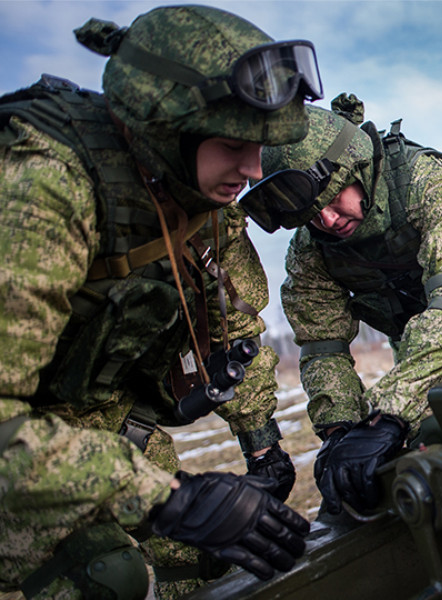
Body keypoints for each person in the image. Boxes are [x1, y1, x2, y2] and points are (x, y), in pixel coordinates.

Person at [0, 6, 323, 599]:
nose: (251, 170)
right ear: (162, 128)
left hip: (99, 431)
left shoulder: (193, 195)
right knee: (110, 580)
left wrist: (261, 441)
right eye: (232, 144)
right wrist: (164, 498)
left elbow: (233, 330)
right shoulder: (41, 190)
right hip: (21, 453)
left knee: (208, 559)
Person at [242, 101, 442, 512]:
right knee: (396, 476)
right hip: (426, 358)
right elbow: (321, 345)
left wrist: (389, 414)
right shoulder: (311, 254)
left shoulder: (427, 181)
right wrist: (341, 430)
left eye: (333, 199)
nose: (326, 220)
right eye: (311, 214)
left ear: (357, 168)